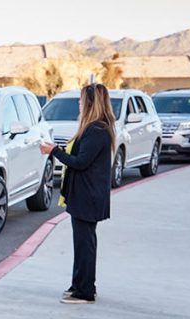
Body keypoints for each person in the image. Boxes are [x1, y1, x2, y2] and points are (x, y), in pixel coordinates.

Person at [39, 83, 115, 304]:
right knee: (83, 243)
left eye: (82, 100)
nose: (79, 104)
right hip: (84, 195)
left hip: (87, 196)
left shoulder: (96, 130)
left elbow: (80, 162)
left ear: (91, 103)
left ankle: (85, 291)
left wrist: (54, 151)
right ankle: (79, 284)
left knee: (85, 245)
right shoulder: (94, 128)